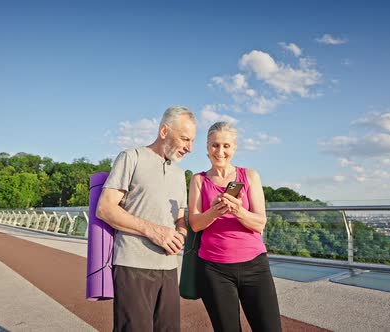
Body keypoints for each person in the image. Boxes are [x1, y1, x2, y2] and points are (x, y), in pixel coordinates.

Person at [96, 106, 197, 331]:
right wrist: (154, 231)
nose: (189, 148)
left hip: (169, 268)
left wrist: (181, 233)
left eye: (192, 141)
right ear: (164, 132)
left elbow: (180, 219)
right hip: (132, 265)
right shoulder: (130, 157)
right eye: (184, 139)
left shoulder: (180, 174)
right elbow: (105, 208)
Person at [188, 121, 282, 332]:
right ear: (207, 147)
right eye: (214, 145)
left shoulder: (249, 176)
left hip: (255, 267)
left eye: (226, 146)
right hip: (214, 270)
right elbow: (194, 224)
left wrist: (238, 210)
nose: (220, 151)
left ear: (235, 147)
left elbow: (260, 223)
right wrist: (214, 212)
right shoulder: (199, 180)